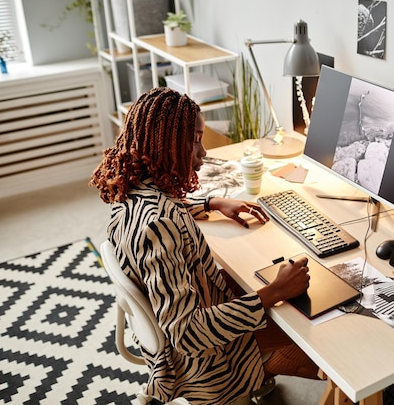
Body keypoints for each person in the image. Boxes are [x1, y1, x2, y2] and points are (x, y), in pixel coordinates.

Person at [89, 87, 319, 405]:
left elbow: (163, 211)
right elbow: (186, 334)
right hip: (210, 361)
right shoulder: (159, 226)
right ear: (164, 145)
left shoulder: (131, 190)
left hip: (198, 311)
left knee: (251, 278)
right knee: (319, 332)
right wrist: (273, 293)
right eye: (195, 140)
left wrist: (210, 203)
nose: (204, 152)